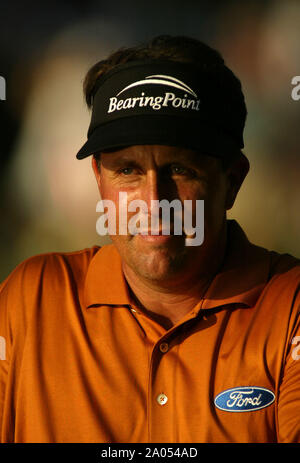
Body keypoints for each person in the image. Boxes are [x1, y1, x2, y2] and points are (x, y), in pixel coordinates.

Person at [0, 35, 299, 444]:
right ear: (98, 178)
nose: (153, 201)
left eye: (179, 169)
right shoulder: (29, 301)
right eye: (127, 170)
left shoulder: (290, 307)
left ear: (233, 180)